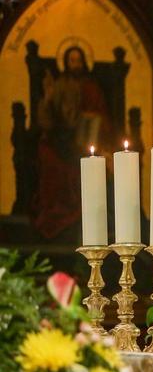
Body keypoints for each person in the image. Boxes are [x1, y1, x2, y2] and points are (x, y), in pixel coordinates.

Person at [31, 45, 110, 238]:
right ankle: (53, 213)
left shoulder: (92, 88)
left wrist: (90, 121)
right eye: (71, 61)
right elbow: (46, 121)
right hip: (61, 140)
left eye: (78, 60)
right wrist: (48, 98)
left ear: (84, 62)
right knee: (51, 162)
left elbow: (103, 120)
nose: (75, 64)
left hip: (86, 141)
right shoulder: (58, 85)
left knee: (86, 161)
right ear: (65, 63)